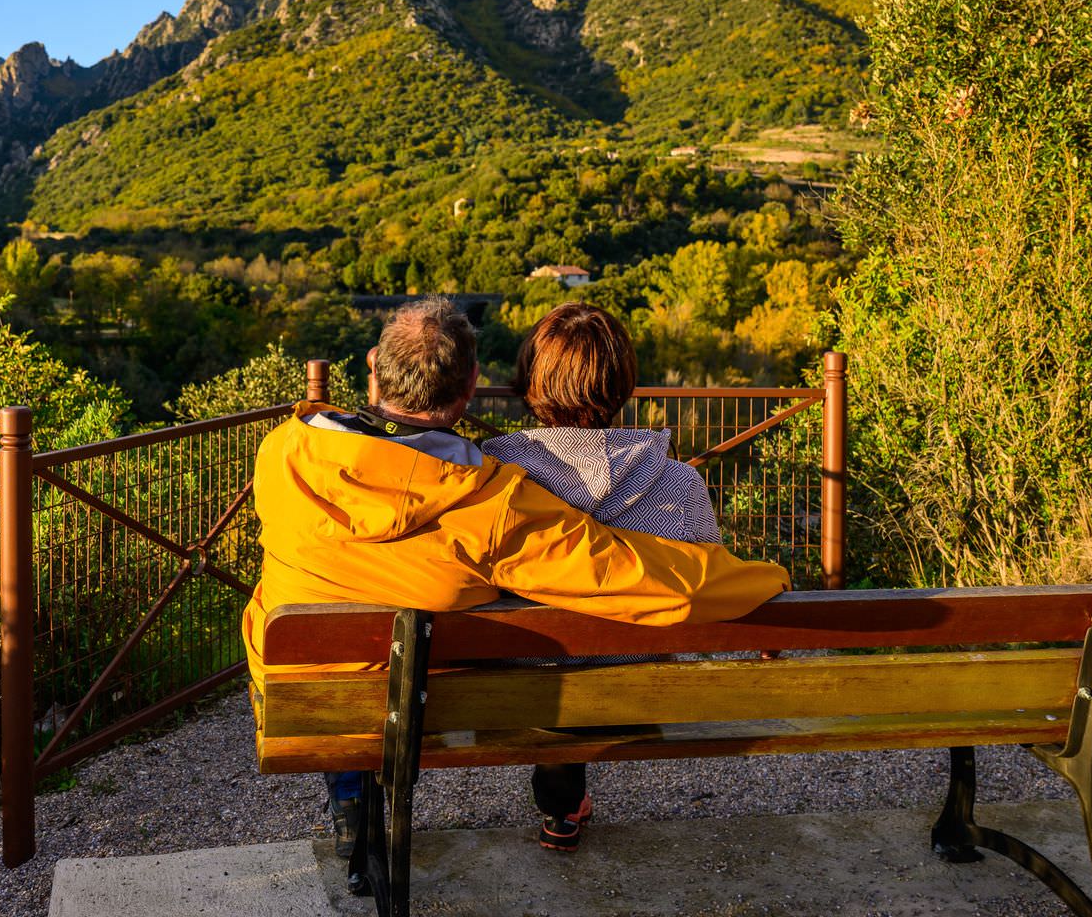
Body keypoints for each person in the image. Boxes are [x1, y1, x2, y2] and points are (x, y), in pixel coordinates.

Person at [242, 297, 788, 879]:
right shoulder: (485, 498)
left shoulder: (281, 452)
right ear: (472, 385)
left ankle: (352, 800)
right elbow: (619, 572)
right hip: (494, 691)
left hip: (290, 686)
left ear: (373, 364)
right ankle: (553, 799)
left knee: (353, 637)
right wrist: (761, 580)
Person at [481, 302, 726, 850]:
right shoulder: (678, 484)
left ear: (531, 382)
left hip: (520, 685)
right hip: (638, 687)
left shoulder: (492, 480)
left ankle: (561, 800)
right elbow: (710, 585)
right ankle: (564, 797)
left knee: (551, 670)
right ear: (622, 383)